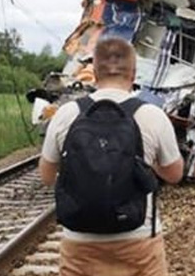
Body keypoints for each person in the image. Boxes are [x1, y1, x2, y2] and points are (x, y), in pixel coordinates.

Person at [38, 37, 183, 276]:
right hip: (139, 240)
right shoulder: (153, 116)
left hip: (79, 242)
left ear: (94, 73)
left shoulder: (66, 114)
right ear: (134, 74)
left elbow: (46, 175)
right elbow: (175, 174)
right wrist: (147, 163)